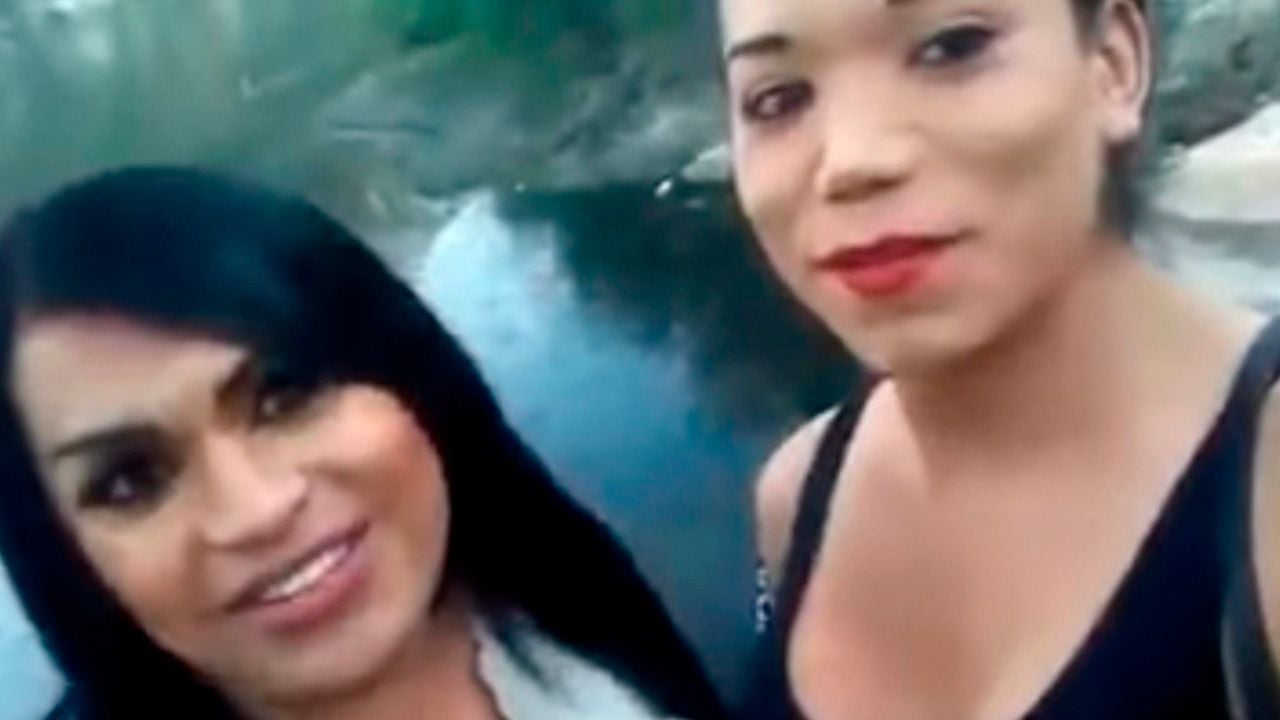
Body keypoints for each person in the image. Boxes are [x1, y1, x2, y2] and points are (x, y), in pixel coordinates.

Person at [716, 0, 1280, 717]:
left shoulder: (1262, 495)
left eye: (952, 47)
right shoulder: (798, 498)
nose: (853, 161)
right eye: (778, 99)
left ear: (1114, 62)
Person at [0, 167, 729, 720]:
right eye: (131, 481)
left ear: (399, 369)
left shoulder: (548, 583)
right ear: (64, 556)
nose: (256, 510)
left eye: (283, 394)